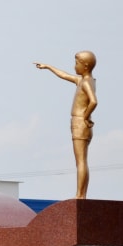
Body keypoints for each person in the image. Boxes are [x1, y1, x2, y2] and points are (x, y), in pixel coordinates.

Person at [34, 52, 98, 199]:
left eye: (77, 63)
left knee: (81, 161)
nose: (74, 66)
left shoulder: (87, 82)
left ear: (85, 66)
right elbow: (64, 75)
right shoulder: (84, 80)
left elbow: (94, 101)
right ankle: (81, 194)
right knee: (81, 160)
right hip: (80, 122)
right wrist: (48, 67)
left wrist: (86, 116)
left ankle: (80, 195)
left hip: (80, 122)